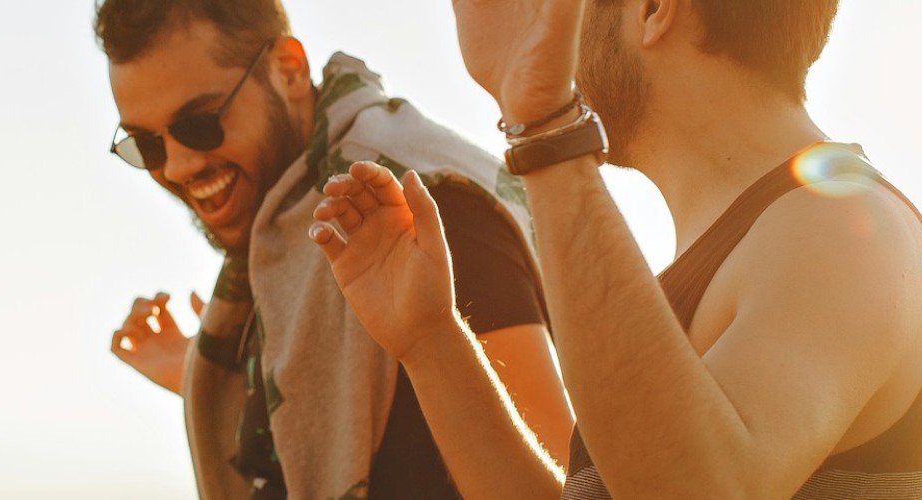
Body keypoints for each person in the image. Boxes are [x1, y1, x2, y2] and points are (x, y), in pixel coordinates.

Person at [311, 0, 922, 498]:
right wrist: (431, 340)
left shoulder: (842, 220)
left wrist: (541, 120)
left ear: (652, 8)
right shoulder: (737, 255)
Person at [94, 1, 572, 497]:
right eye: (145, 145)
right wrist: (208, 373)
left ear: (289, 70)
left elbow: (550, 472)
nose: (175, 166)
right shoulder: (285, 234)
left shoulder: (423, 211)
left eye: (198, 124)